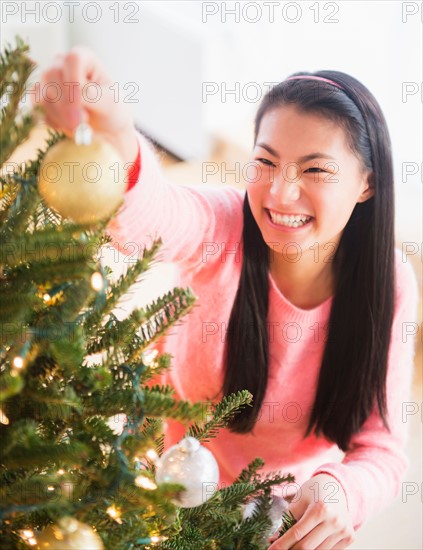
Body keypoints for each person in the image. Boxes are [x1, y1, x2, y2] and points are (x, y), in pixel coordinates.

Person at [36, 46, 418, 549]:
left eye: (315, 170)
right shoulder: (224, 226)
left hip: (284, 517)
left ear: (367, 183)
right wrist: (116, 138)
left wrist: (341, 490)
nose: (280, 194)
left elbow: (383, 449)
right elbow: (156, 216)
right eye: (266, 161)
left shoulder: (388, 282)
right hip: (168, 485)